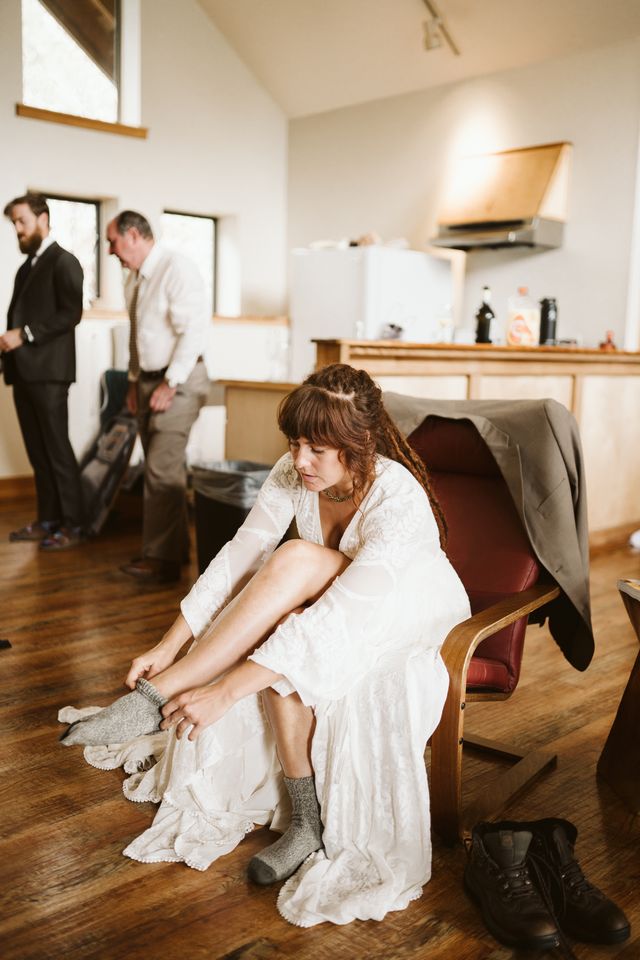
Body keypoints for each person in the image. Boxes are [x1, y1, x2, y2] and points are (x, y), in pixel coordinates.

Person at [60, 363, 470, 927]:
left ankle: (168, 706)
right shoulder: (295, 472)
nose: (299, 461)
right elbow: (239, 555)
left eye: (317, 450)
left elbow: (347, 617)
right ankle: (296, 810)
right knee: (287, 568)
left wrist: (224, 692)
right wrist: (168, 642)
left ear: (361, 444)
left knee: (294, 597)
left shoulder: (397, 498)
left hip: (407, 610)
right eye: (295, 444)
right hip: (339, 590)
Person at [106, 210, 209, 583]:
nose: (110, 250)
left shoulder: (175, 268)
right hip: (149, 382)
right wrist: (134, 383)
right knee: (161, 467)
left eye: (113, 241)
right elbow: (139, 336)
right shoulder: (133, 278)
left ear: (134, 235)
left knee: (161, 469)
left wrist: (170, 383)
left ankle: (160, 561)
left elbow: (193, 331)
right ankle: (175, 551)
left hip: (179, 381)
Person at [1, 193, 85, 550]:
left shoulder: (64, 261)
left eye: (22, 221)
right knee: (38, 452)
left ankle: (74, 525)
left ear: (43, 218)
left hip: (50, 374)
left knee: (56, 449)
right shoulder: (27, 267)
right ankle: (48, 519)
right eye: (14, 224)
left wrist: (26, 334)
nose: (18, 230)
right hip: (23, 373)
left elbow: (71, 314)